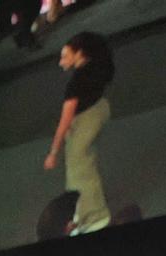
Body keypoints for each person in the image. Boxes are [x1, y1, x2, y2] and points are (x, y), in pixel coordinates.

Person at [44, 32, 115, 236]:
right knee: (85, 165)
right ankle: (88, 212)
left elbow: (64, 122)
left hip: (85, 121)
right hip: (100, 111)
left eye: (65, 56)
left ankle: (94, 217)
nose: (61, 62)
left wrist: (53, 152)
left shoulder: (75, 85)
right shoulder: (97, 66)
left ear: (80, 54)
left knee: (79, 170)